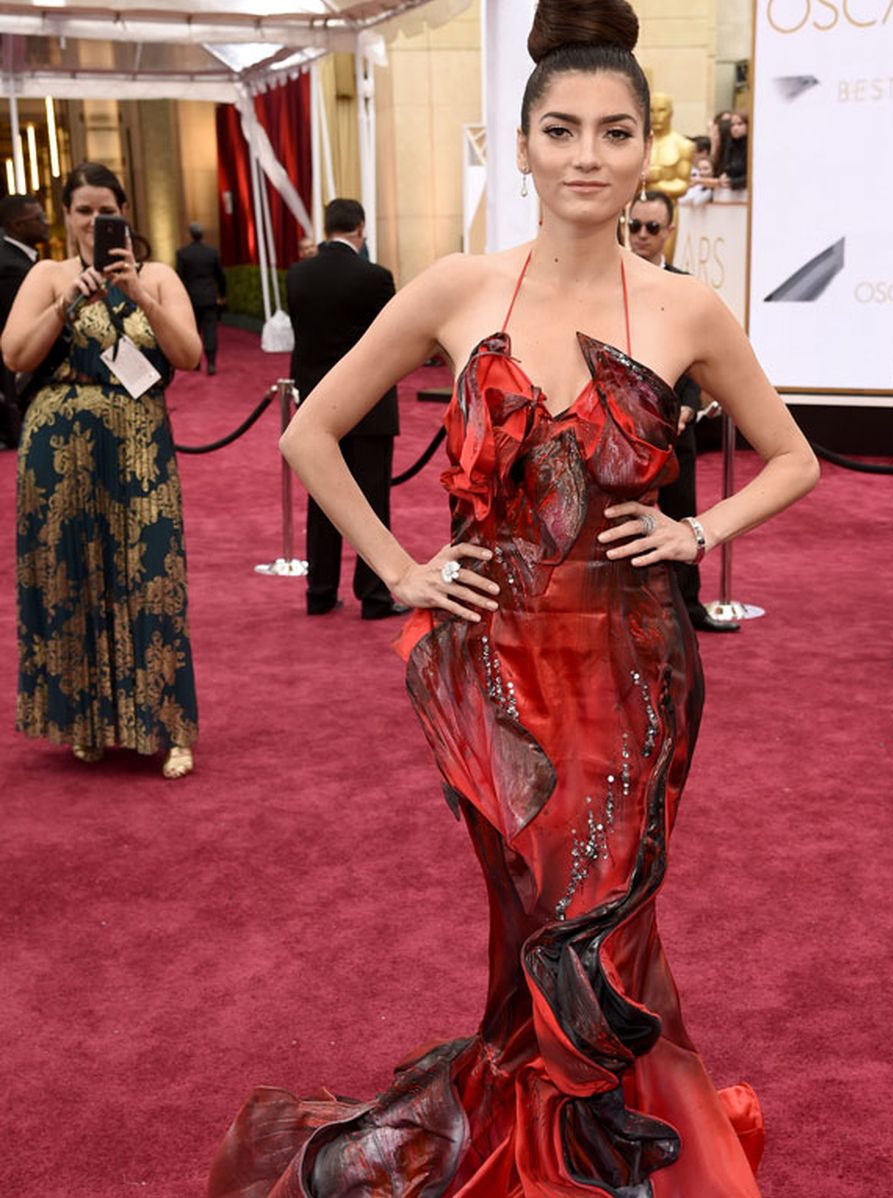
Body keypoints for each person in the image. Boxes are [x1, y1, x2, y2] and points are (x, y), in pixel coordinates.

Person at [209, 1, 818, 1194]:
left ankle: (601, 1152)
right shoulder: (455, 286)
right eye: (560, 129)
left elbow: (791, 455)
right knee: (538, 921)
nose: (586, 154)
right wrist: (400, 569)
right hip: (494, 668)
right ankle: (559, 1151)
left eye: (613, 130)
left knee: (607, 923)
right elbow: (313, 432)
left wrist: (697, 530)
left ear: (649, 145)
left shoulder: (685, 306)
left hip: (634, 670)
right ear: (525, 143)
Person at [3, 161, 203, 777]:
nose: (94, 222)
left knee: (152, 578)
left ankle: (170, 727)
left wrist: (138, 293)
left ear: (124, 212)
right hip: (57, 448)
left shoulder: (161, 275)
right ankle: (85, 721)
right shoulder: (47, 274)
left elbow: (189, 355)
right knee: (72, 580)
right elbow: (13, 354)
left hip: (140, 444)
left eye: (104, 210)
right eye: (83, 211)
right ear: (67, 216)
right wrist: (64, 305)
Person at [285, 197, 406, 619]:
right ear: (361, 227)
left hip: (316, 404)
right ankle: (373, 596)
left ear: (328, 225)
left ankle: (319, 592)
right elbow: (393, 341)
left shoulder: (298, 275)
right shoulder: (376, 278)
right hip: (369, 406)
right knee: (371, 501)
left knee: (322, 499)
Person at [628, 187, 739, 632]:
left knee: (682, 519)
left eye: (652, 227)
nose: (641, 235)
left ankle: (689, 610)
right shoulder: (606, 282)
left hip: (675, 430)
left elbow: (696, 359)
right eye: (634, 225)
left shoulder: (686, 288)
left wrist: (688, 408)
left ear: (670, 231)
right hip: (618, 432)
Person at [0, 194, 49, 447]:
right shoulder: (11, 266)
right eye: (39, 218)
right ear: (18, 225)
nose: (47, 222)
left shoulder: (18, 258)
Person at [175, 221, 226, 376]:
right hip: (209, 297)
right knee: (210, 330)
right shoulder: (212, 252)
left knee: (193, 331)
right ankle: (211, 363)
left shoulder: (183, 253)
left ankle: (195, 362)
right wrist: (222, 294)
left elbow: (179, 277)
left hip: (190, 298)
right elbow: (220, 276)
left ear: (190, 235)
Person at [719, 111, 749, 192]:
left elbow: (753, 175)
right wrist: (724, 175)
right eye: (732, 125)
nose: (735, 128)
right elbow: (728, 167)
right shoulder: (730, 144)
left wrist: (733, 182)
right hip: (733, 191)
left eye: (740, 124)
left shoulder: (753, 146)